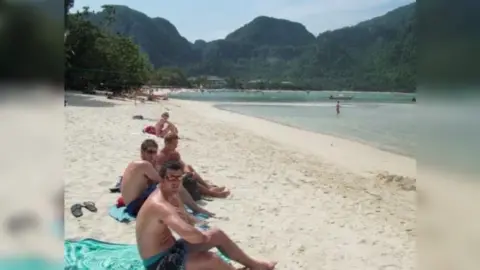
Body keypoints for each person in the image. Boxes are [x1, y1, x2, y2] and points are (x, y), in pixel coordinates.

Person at [136, 160, 277, 270]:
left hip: (173, 249)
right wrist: (202, 237)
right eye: (171, 177)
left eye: (179, 178)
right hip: (158, 263)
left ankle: (255, 265)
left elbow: (187, 221)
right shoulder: (160, 205)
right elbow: (191, 234)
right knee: (211, 259)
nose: (176, 182)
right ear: (162, 179)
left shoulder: (172, 195)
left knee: (217, 234)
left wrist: (199, 232)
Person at [121, 139, 214, 217]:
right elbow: (162, 180)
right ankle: (196, 209)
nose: (152, 155)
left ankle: (195, 208)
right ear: (142, 152)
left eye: (154, 152)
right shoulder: (145, 165)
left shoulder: (140, 164)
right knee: (174, 185)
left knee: (173, 184)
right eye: (150, 152)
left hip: (133, 204)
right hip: (135, 206)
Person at [156, 133, 230, 198]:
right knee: (189, 179)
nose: (176, 146)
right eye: (174, 144)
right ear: (166, 143)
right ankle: (213, 193)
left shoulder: (174, 153)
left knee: (189, 168)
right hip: (170, 178)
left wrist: (187, 171)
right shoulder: (161, 156)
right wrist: (182, 175)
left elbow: (182, 164)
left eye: (176, 144)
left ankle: (208, 187)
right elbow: (161, 173)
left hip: (177, 174)